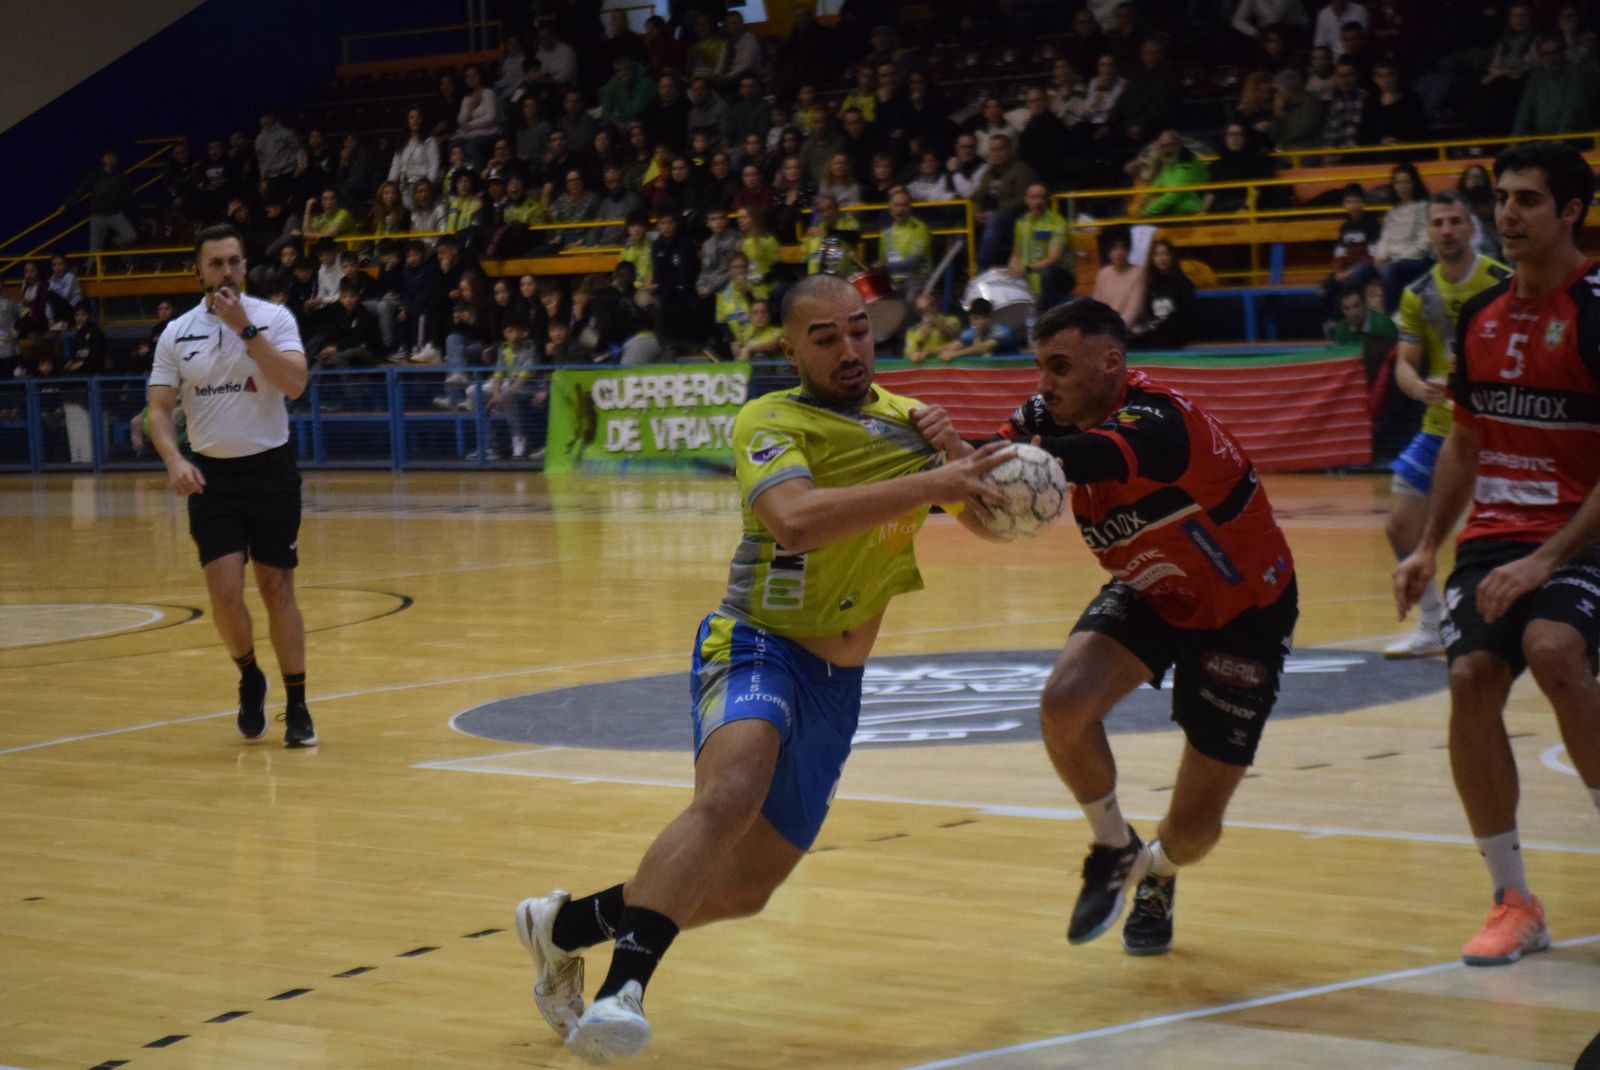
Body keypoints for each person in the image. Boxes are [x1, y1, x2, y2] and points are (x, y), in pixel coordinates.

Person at [512, 273, 1013, 1063]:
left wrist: (957, 453)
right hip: (756, 643)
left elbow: (989, 522)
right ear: (790, 347)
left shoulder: (909, 426)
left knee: (745, 889)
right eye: (826, 338)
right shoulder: (768, 420)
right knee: (732, 792)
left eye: (858, 331)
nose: (849, 349)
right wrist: (937, 476)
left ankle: (563, 928)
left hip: (837, 683)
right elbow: (796, 520)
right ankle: (621, 993)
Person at [997, 296, 1298, 955]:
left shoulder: (1162, 420)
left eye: (1059, 366)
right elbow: (1000, 454)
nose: (1044, 384)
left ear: (1112, 363)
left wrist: (997, 457)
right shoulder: (1050, 414)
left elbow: (1084, 458)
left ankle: (1157, 872)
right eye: (1039, 367)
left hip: (1242, 612)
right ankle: (1113, 844)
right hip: (1153, 585)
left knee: (1194, 832)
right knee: (1062, 705)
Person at [1394, 142, 1600, 967]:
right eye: (1501, 201)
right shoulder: (1479, 318)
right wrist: (1427, 546)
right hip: (1497, 539)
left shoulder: (1596, 311)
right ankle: (1513, 899)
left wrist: (1547, 560)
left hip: (1584, 532)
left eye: (1527, 200)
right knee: (1470, 677)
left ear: (1572, 212)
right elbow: (1465, 446)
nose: (1508, 215)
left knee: (1554, 652)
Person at [145, 224, 316, 748]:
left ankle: (298, 703)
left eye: (234, 261)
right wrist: (174, 459)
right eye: (215, 263)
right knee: (223, 592)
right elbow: (158, 408)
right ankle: (249, 676)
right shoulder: (176, 332)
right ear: (198, 271)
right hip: (211, 477)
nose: (226, 271)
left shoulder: (273, 318)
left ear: (245, 265)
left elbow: (294, 384)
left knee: (276, 588)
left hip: (270, 471)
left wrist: (245, 330)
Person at [1384, 192, 1512, 658]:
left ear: (1471, 228)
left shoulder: (1502, 280)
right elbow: (1404, 365)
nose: (1447, 230)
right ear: (1430, 231)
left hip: (1501, 427)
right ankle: (1434, 624)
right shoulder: (1418, 293)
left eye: (1456, 221)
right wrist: (1419, 388)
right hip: (1442, 427)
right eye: (1438, 222)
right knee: (1400, 523)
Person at [1009, 182, 1073, 314]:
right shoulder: (1021, 223)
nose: (1038, 201)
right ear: (1026, 199)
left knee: (1047, 274)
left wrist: (1026, 269)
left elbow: (1054, 258)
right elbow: (1016, 253)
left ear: (1047, 199)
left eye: (1042, 197)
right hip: (1031, 275)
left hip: (1059, 277)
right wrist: (1013, 267)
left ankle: (1046, 315)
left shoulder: (1057, 223)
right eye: (1033, 197)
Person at [1130, 239, 1196, 349]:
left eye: (1165, 254)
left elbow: (1188, 316)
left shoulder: (1184, 283)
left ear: (1172, 257)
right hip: (1155, 331)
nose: (1162, 259)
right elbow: (1148, 314)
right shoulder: (1150, 283)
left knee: (1159, 343)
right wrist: (1145, 326)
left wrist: (1163, 324)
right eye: (1157, 255)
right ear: (1152, 259)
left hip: (1177, 331)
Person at [937, 298, 1017, 360]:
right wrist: (927, 352)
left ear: (991, 318)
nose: (981, 322)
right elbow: (951, 347)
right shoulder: (969, 333)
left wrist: (955, 354)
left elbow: (984, 347)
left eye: (985, 318)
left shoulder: (1002, 331)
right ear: (971, 319)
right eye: (976, 318)